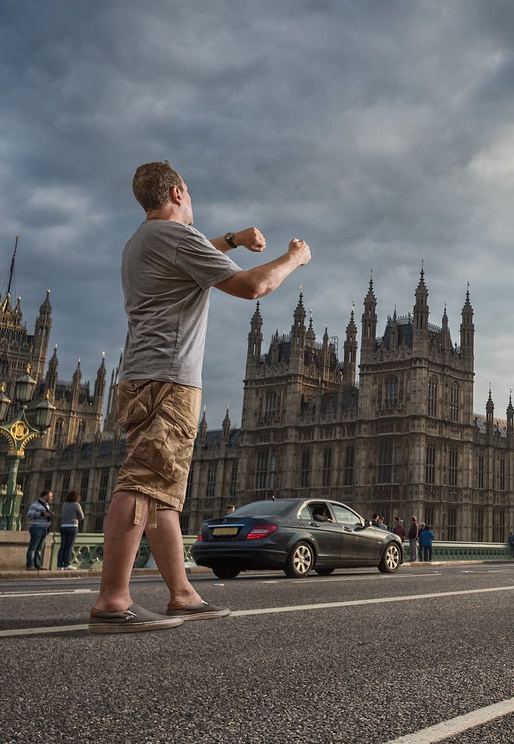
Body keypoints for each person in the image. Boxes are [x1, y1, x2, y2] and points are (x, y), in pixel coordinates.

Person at [89, 160, 311, 633]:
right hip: (168, 377)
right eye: (189, 195)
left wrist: (232, 239)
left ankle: (182, 593)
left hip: (142, 375)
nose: (192, 204)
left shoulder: (141, 242)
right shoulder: (175, 237)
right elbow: (254, 286)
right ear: (176, 192)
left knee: (163, 496)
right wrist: (294, 258)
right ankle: (112, 600)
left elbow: (195, 254)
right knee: (143, 482)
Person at [25, 490, 53, 570]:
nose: (51, 498)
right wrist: (42, 514)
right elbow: (29, 514)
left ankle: (37, 564)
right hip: (37, 528)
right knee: (33, 548)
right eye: (50, 496)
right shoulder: (35, 504)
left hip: (44, 529)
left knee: (39, 549)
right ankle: (30, 565)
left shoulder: (46, 505)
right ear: (45, 496)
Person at [57, 489, 84, 570]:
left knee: (63, 546)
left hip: (63, 526)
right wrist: (76, 518)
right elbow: (82, 516)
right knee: (69, 546)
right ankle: (66, 564)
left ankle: (59, 564)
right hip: (72, 526)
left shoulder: (64, 504)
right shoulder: (76, 505)